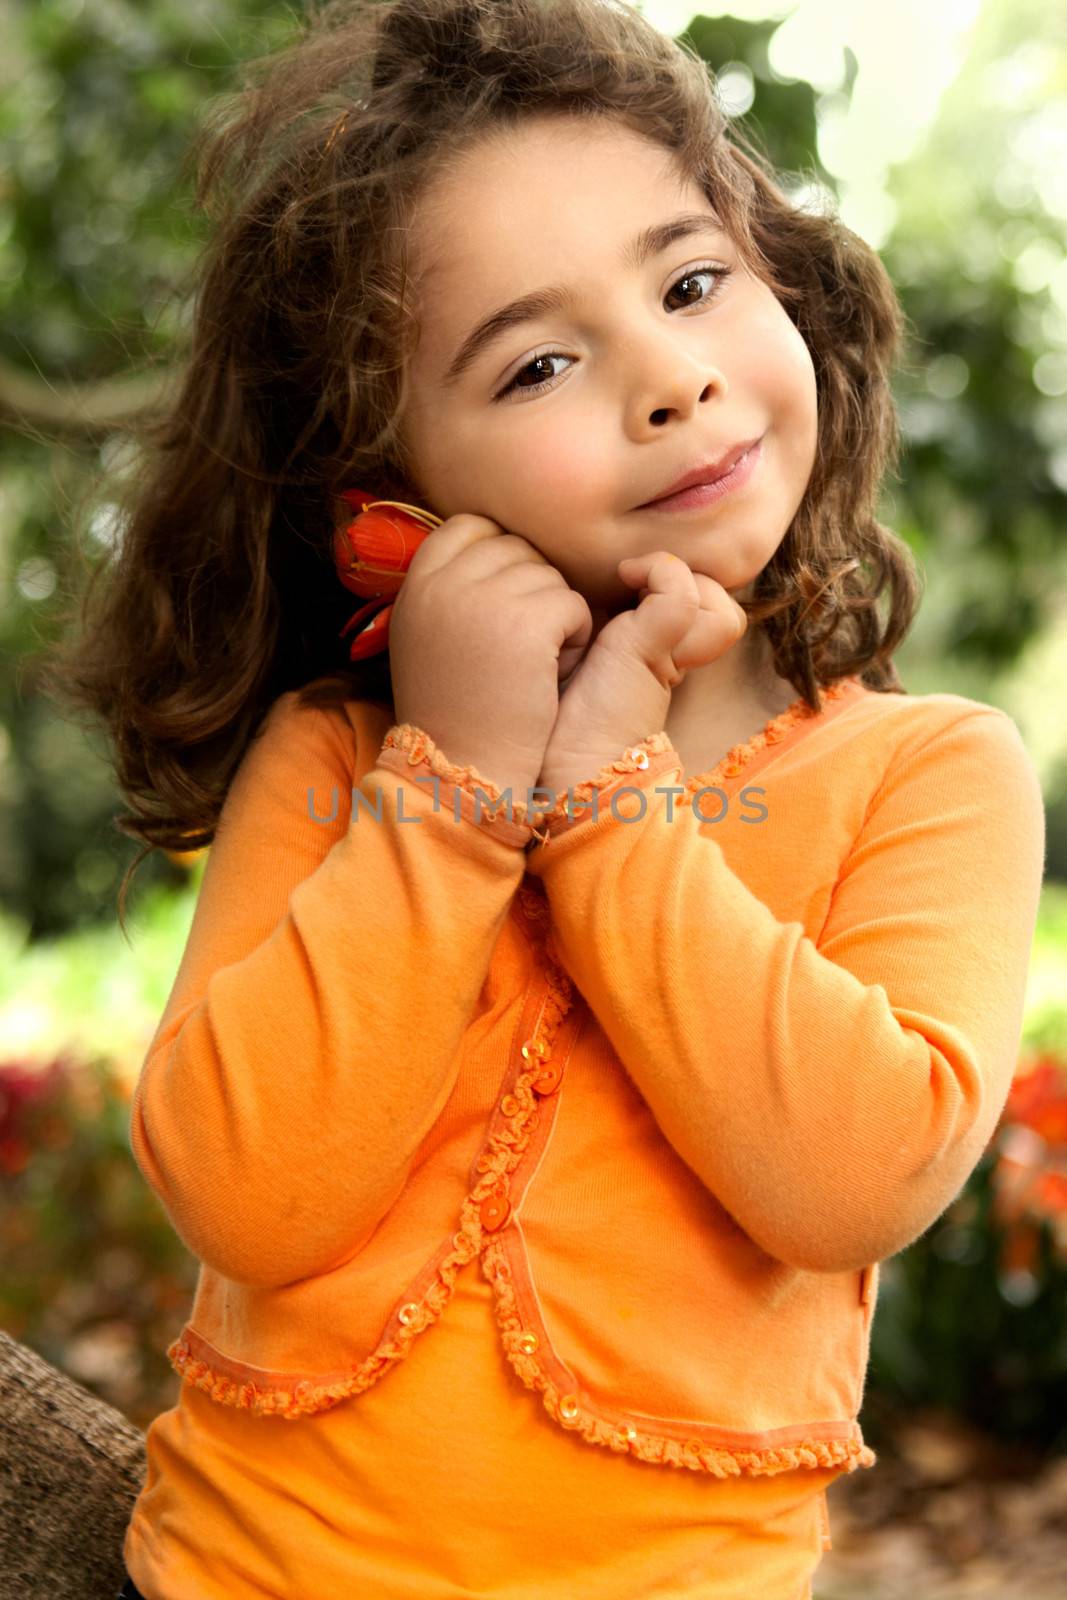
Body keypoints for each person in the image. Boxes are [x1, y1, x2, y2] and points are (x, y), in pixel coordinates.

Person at [41, 1, 1046, 1596]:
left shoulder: (930, 775)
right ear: (390, 489)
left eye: (693, 281)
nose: (667, 379)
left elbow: (853, 1180)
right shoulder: (344, 758)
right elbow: (244, 1195)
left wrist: (604, 800)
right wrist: (449, 788)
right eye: (538, 363)